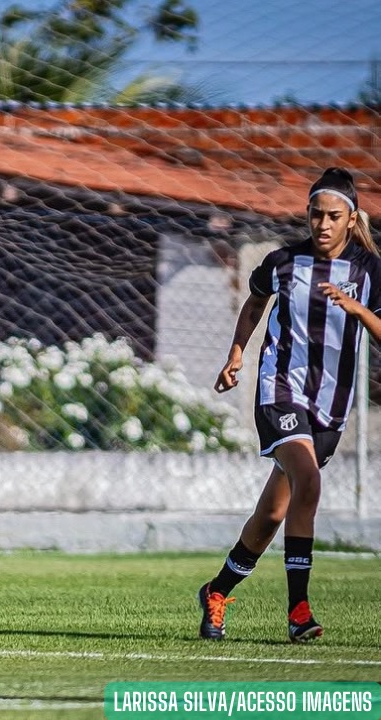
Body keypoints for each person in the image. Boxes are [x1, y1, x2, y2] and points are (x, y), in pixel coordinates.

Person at [201, 167, 380, 643]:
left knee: (274, 514)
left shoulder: (368, 270)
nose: (323, 224)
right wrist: (237, 353)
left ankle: (217, 592)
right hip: (279, 389)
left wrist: (358, 309)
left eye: (333, 217)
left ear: (351, 219)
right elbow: (256, 302)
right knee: (309, 480)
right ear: (307, 215)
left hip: (329, 406)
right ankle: (298, 610)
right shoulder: (281, 262)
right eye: (316, 215)